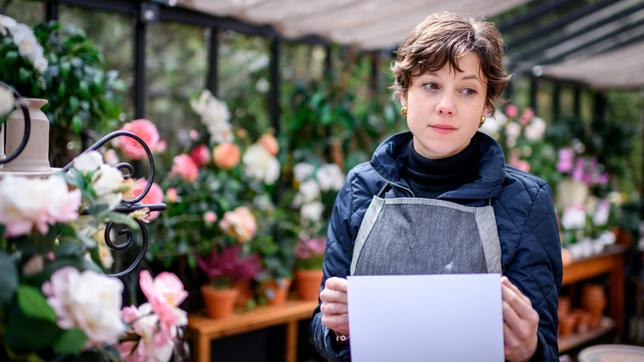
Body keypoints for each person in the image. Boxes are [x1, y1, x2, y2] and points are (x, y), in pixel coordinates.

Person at [310, 12, 562, 362]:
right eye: (431, 85)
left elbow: (546, 348)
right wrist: (335, 329)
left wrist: (529, 350)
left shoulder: (526, 200)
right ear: (404, 95)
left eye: (468, 90)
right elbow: (325, 326)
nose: (446, 106)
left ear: (486, 106)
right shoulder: (361, 188)